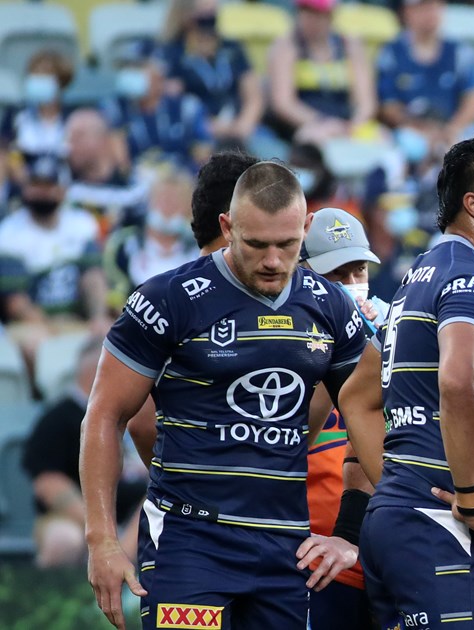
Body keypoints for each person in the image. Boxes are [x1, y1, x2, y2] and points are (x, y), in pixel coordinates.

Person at [80, 161, 368, 630]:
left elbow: (370, 416)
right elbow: (105, 415)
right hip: (191, 544)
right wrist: (102, 541)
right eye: (256, 244)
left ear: (307, 227)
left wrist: (350, 533)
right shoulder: (167, 299)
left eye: (287, 245)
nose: (272, 260)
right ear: (227, 227)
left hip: (286, 550)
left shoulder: (330, 306)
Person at [352, 135, 474, 630]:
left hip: (397, 518)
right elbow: (460, 382)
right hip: (442, 524)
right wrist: (473, 500)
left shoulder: (420, 274)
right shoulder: (472, 278)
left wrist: (396, 485)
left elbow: (357, 397)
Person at [123, 151, 262, 470]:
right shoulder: (146, 270)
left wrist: (176, 480)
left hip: (191, 482)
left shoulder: (163, 293)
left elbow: (137, 423)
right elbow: (139, 423)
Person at [296, 207, 384, 629]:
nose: (351, 285)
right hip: (315, 561)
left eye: (358, 271)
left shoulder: (388, 331)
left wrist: (372, 346)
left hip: (384, 555)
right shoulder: (284, 340)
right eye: (336, 275)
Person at [24, 341, 145, 569]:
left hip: (135, 519)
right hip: (76, 519)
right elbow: (48, 484)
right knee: (63, 539)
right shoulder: (59, 417)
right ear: (100, 372)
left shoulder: (136, 413)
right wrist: (103, 531)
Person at [0, 154, 108, 356]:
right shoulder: (9, 233)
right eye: (36, 184)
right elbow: (15, 303)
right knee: (34, 343)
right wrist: (53, 327)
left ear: (62, 190)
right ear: (25, 188)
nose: (42, 192)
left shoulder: (81, 223)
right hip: (31, 323)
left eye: (48, 185)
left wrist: (97, 317)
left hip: (77, 318)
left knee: (111, 334)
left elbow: (93, 277)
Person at [375, 0, 474, 154]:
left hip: (452, 127)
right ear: (406, 12)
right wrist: (418, 128)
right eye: (423, 7)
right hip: (410, 131)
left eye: (435, 6)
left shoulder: (460, 52)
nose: (430, 12)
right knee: (407, 146)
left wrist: (452, 129)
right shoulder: (391, 53)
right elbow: (388, 106)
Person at [156, 0, 266, 150]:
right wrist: (207, 126)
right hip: (197, 133)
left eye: (213, 14)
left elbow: (254, 97)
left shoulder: (231, 48)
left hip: (241, 128)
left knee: (274, 154)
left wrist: (243, 125)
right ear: (186, 16)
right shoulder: (173, 54)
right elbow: (172, 104)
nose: (209, 22)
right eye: (203, 15)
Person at [267, 0, 376, 143]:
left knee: (382, 139)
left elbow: (366, 103)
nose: (312, 20)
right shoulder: (286, 47)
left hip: (345, 123)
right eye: (307, 12)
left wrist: (354, 125)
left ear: (331, 15)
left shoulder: (349, 45)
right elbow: (284, 104)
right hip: (303, 125)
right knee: (314, 138)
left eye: (319, 14)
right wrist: (322, 122)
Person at [103, 41, 215, 170]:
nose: (130, 73)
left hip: (184, 177)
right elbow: (116, 164)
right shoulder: (114, 110)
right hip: (136, 178)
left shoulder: (187, 108)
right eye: (126, 67)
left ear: (159, 73)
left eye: (138, 67)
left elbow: (204, 151)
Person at [102, 165, 201, 308]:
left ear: (189, 209)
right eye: (163, 199)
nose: (168, 208)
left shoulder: (199, 251)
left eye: (176, 201)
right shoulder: (124, 245)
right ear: (150, 202)